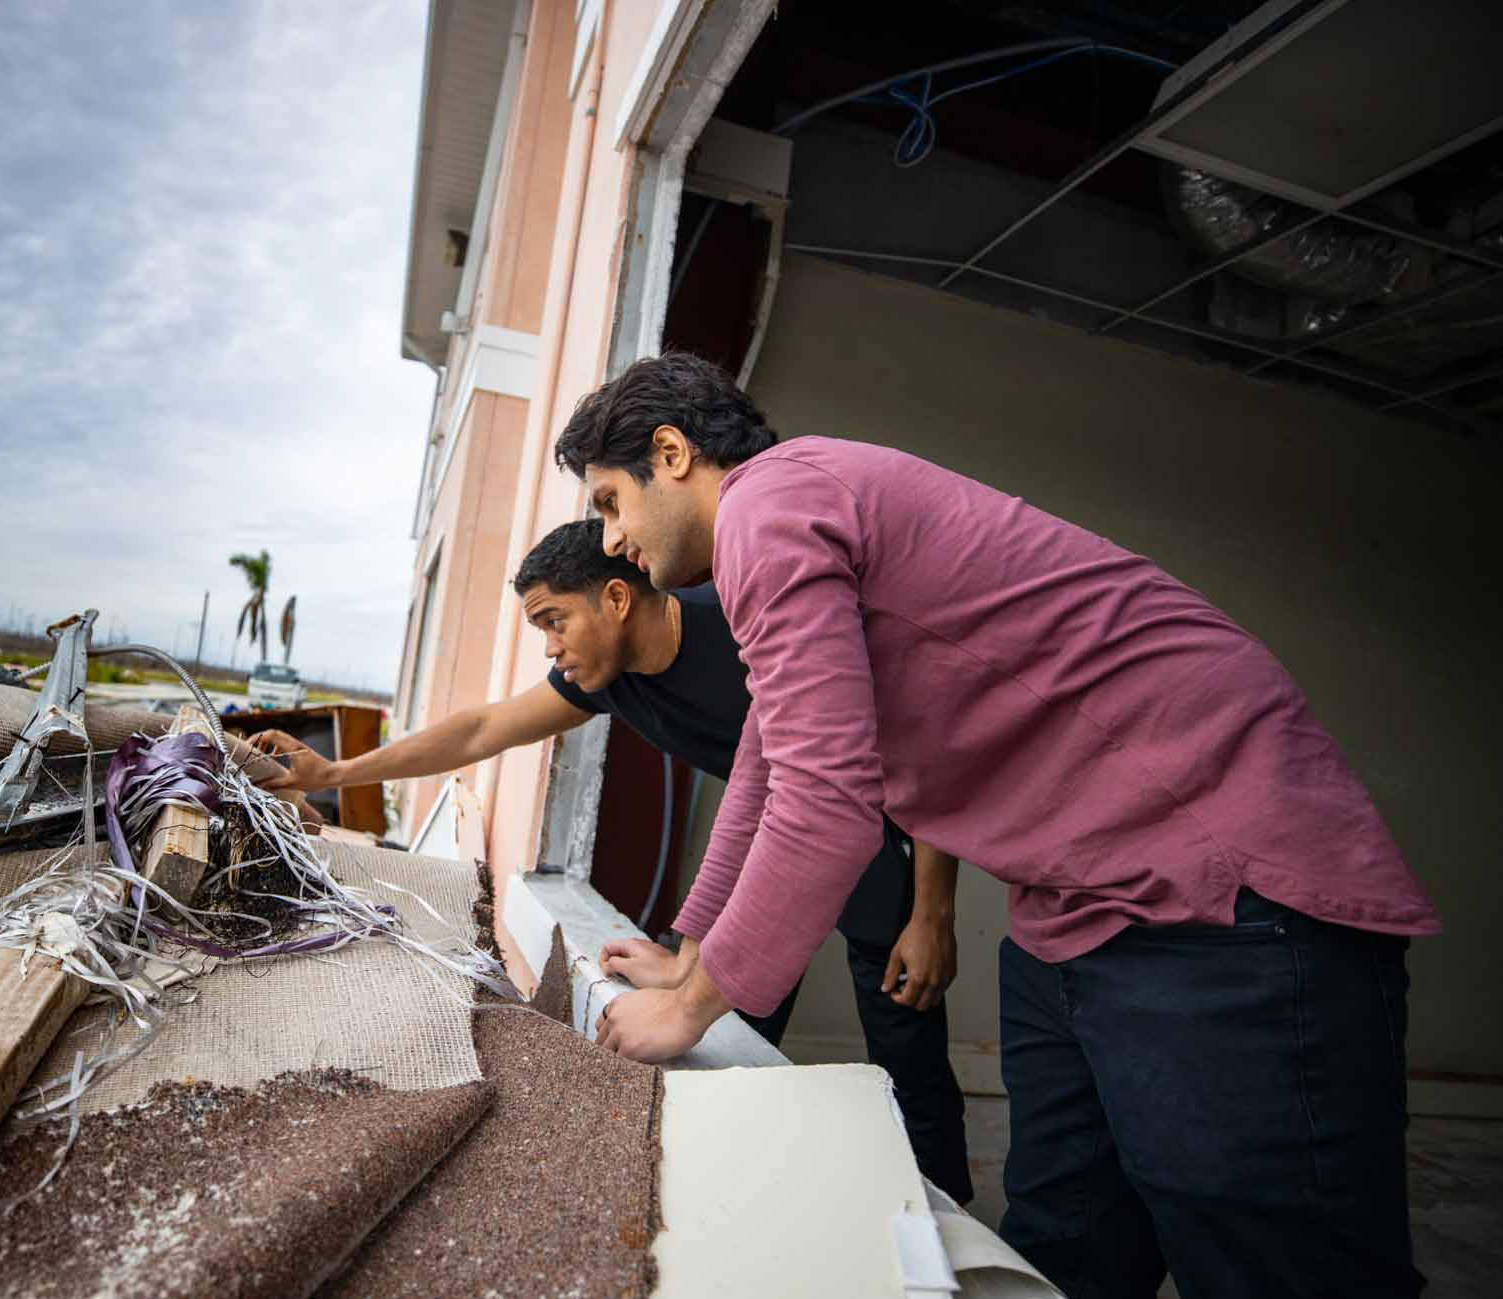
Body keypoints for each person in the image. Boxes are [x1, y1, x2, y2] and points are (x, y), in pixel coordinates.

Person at [551, 351, 1439, 1299]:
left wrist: (688, 1010)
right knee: (1062, 1244)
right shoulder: (770, 541)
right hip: (1074, 908)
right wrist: (688, 953)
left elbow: (827, 801)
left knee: (1276, 1258)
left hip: (1220, 879)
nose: (611, 540)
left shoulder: (771, 507)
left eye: (610, 502)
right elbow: (767, 764)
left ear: (674, 453)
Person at [254, 518, 973, 1201]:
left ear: (618, 597)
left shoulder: (744, 620)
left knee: (907, 1056)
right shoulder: (607, 677)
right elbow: (483, 728)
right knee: (733, 1048)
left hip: (882, 847)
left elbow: (919, 733)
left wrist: (933, 908)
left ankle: (964, 1238)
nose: (549, 647)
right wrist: (337, 774)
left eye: (553, 621)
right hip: (779, 853)